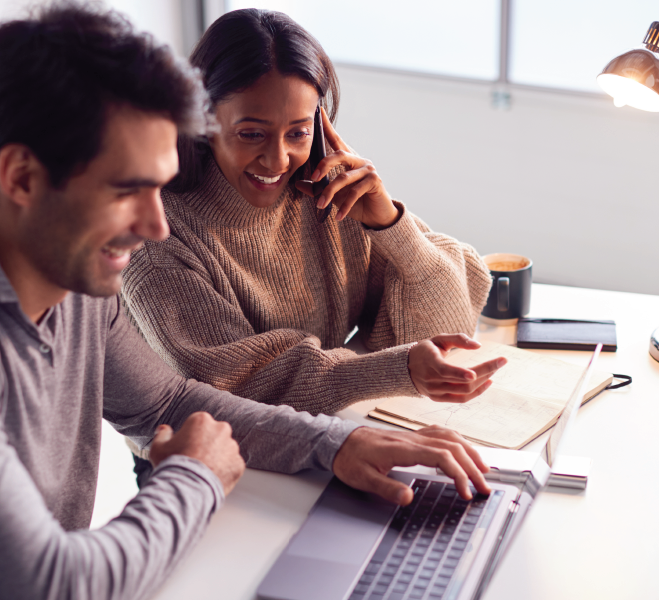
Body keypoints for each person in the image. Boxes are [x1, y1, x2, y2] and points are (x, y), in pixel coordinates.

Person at [0, 4, 491, 600]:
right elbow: (48, 585)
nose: (157, 226)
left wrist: (335, 444)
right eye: (127, 190)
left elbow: (167, 400)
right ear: (21, 178)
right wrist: (195, 476)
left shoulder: (70, 280)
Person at [121, 9, 505, 423]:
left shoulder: (329, 185)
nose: (278, 160)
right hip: (201, 456)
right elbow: (235, 386)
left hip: (322, 425)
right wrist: (395, 370)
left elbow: (444, 326)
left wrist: (391, 224)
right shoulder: (156, 231)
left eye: (299, 132)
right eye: (252, 133)